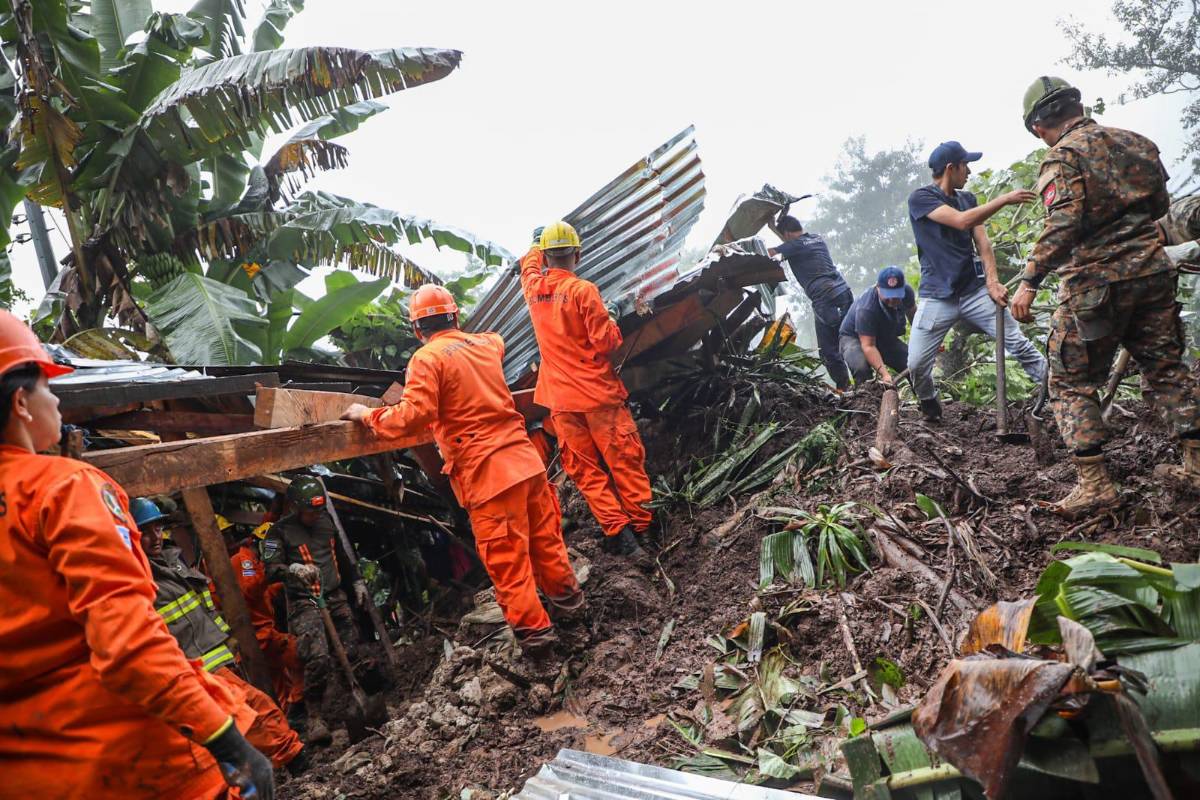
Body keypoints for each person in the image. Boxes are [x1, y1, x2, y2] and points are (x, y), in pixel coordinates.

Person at [0, 309, 273, 799]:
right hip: (135, 763)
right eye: (48, 386)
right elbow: (127, 648)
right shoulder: (62, 490)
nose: (58, 399)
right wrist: (227, 742)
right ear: (20, 402)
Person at [342, 285, 583, 656]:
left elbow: (412, 416)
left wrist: (367, 415)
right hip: (525, 462)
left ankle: (539, 644)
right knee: (546, 544)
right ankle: (572, 613)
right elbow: (494, 342)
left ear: (417, 329)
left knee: (509, 563)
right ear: (455, 317)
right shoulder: (487, 344)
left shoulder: (426, 360)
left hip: (488, 475)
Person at [1010, 76, 1200, 516]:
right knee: (1167, 368)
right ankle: (1195, 464)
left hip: (1095, 287)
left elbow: (1063, 224)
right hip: (1154, 274)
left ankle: (1095, 484)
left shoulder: (1062, 158)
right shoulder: (1137, 143)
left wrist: (1029, 279)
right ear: (1077, 105)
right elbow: (1158, 209)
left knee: (1071, 379)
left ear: (1039, 126)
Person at [132, 499, 306, 773]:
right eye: (145, 531)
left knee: (252, 708)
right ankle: (293, 759)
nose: (155, 537)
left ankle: (283, 756)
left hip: (214, 655)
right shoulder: (137, 578)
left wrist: (226, 641)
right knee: (251, 710)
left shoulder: (173, 563)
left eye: (158, 528)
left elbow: (204, 608)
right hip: (190, 667)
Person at [518, 221, 653, 557]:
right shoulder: (583, 291)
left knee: (586, 471)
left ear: (547, 256)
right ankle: (643, 528)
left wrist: (536, 246)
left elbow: (528, 266)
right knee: (624, 461)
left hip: (561, 402)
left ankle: (619, 533)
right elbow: (606, 341)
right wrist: (611, 316)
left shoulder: (534, 289)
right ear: (577, 254)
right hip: (598, 397)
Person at [906, 140, 1047, 421]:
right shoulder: (921, 199)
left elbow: (983, 244)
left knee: (1019, 344)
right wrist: (1003, 199)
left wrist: (992, 283)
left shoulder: (967, 199)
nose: (969, 172)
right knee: (916, 365)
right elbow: (961, 221)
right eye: (965, 165)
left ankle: (1058, 391)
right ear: (951, 168)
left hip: (974, 292)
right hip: (937, 297)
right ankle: (929, 403)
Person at [260, 476, 361, 744]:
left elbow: (340, 553)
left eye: (318, 509)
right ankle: (314, 715)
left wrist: (357, 581)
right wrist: (292, 570)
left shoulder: (326, 522)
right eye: (309, 511)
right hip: (304, 599)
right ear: (294, 507)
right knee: (317, 656)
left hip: (334, 595)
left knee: (350, 650)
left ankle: (352, 704)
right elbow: (269, 570)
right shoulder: (278, 533)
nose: (315, 515)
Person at [225, 518, 305, 720]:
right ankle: (296, 707)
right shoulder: (244, 560)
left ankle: (291, 717)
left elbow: (264, 593)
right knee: (296, 653)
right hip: (256, 634)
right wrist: (272, 575)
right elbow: (251, 590)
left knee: (279, 681)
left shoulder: (254, 560)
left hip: (264, 630)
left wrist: (287, 580)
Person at [767, 215, 855, 390]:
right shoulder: (816, 239)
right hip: (843, 292)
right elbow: (793, 244)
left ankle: (845, 387)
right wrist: (773, 227)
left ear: (786, 234)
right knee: (850, 338)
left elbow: (769, 253)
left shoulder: (794, 245)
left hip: (825, 297)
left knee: (829, 350)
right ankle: (865, 380)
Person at [839, 266, 917, 386]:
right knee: (861, 369)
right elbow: (869, 346)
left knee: (913, 365)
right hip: (854, 338)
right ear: (878, 288)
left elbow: (915, 319)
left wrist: (925, 343)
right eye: (888, 295)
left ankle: (926, 401)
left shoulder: (907, 293)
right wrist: (885, 374)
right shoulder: (867, 308)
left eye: (896, 295)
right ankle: (869, 401)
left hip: (883, 336)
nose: (892, 300)